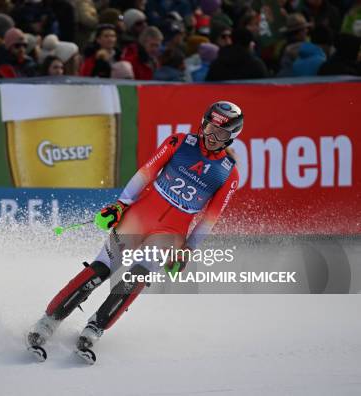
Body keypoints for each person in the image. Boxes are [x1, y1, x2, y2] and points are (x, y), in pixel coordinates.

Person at [27, 101, 243, 363]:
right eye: (209, 128)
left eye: (219, 134)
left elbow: (211, 218)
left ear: (231, 136)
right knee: (101, 269)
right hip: (139, 217)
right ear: (203, 123)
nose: (210, 137)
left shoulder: (228, 174)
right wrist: (120, 204)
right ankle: (47, 322)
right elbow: (145, 173)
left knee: (136, 277)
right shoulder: (178, 142)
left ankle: (95, 327)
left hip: (170, 233)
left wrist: (188, 249)